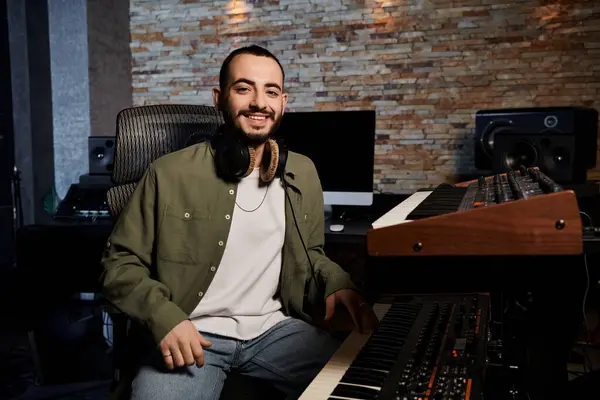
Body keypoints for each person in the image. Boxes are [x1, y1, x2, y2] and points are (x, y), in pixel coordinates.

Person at [100, 45, 378, 400]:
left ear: (283, 102)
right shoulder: (168, 173)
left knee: (370, 383)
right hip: (192, 334)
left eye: (271, 91)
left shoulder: (302, 172)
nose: (259, 102)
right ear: (220, 98)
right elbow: (118, 264)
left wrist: (337, 283)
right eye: (244, 88)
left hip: (273, 332)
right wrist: (164, 318)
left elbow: (310, 255)